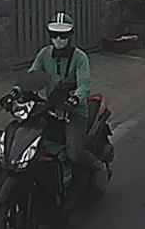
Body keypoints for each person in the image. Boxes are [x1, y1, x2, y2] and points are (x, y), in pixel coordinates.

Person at [22, 12, 109, 192]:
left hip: (75, 111)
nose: (59, 39)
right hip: (51, 108)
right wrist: (17, 91)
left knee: (74, 152)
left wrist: (74, 99)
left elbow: (84, 84)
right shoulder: (44, 54)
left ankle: (96, 166)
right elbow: (33, 75)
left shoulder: (80, 57)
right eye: (55, 35)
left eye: (63, 35)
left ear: (70, 35)